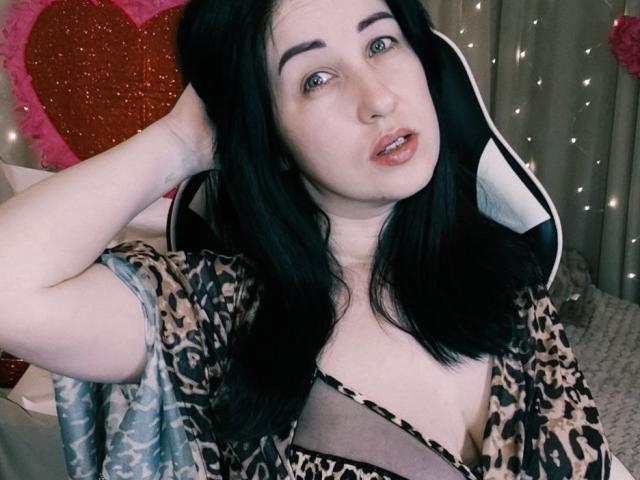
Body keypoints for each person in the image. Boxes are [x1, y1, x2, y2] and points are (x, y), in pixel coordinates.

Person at [0, 0, 616, 478]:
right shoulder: (219, 311)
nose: (378, 99)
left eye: (381, 42)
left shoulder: (506, 271)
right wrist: (181, 141)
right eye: (316, 78)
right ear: (270, 136)